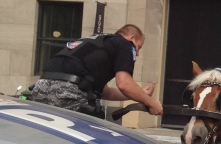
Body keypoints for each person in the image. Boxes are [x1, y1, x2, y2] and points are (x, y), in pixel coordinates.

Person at [32, 24, 163, 118]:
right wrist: (151, 103)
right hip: (68, 93)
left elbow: (106, 92)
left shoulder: (96, 42)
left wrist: (140, 95)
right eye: (139, 47)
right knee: (89, 143)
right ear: (131, 38)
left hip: (40, 88)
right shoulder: (125, 44)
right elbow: (124, 83)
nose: (138, 53)